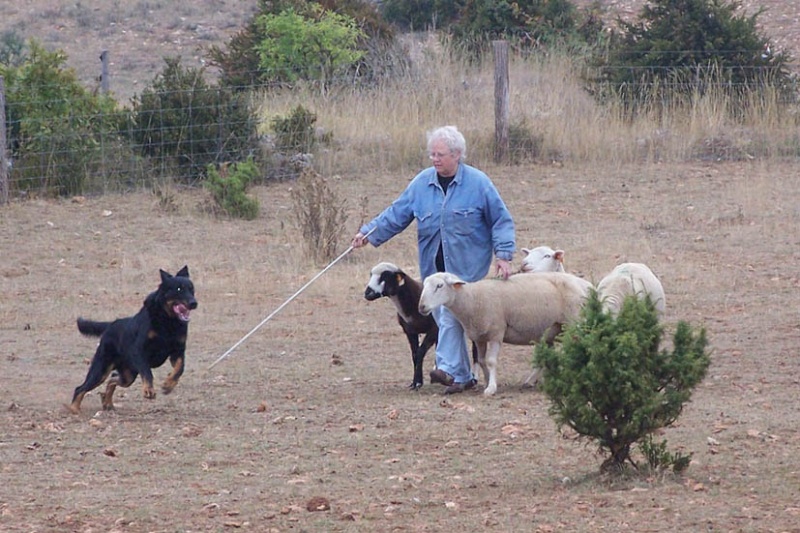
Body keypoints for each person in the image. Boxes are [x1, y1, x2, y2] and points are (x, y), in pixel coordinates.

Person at [351, 125, 516, 394]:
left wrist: (504, 255)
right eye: (432, 154)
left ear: (457, 154)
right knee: (443, 314)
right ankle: (462, 376)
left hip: (467, 267)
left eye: (440, 154)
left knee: (451, 314)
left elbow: (500, 220)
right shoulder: (422, 183)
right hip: (434, 266)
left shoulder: (479, 183)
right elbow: (397, 213)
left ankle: (449, 369)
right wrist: (368, 233)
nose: (435, 159)